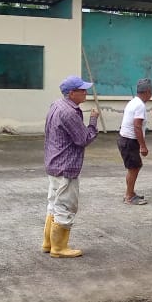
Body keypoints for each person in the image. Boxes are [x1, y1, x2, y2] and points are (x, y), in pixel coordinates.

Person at [43, 75, 100, 258]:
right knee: (65, 206)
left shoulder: (56, 105)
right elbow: (83, 139)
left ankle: (49, 243)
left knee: (53, 204)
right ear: (71, 93)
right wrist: (93, 121)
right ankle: (59, 248)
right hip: (66, 165)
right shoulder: (70, 113)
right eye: (82, 90)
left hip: (54, 162)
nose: (85, 93)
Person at [118, 78, 152, 205]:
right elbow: (137, 126)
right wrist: (143, 146)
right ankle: (129, 196)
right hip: (129, 140)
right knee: (134, 168)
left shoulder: (133, 102)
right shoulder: (140, 105)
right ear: (148, 91)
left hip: (125, 139)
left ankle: (130, 192)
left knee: (134, 167)